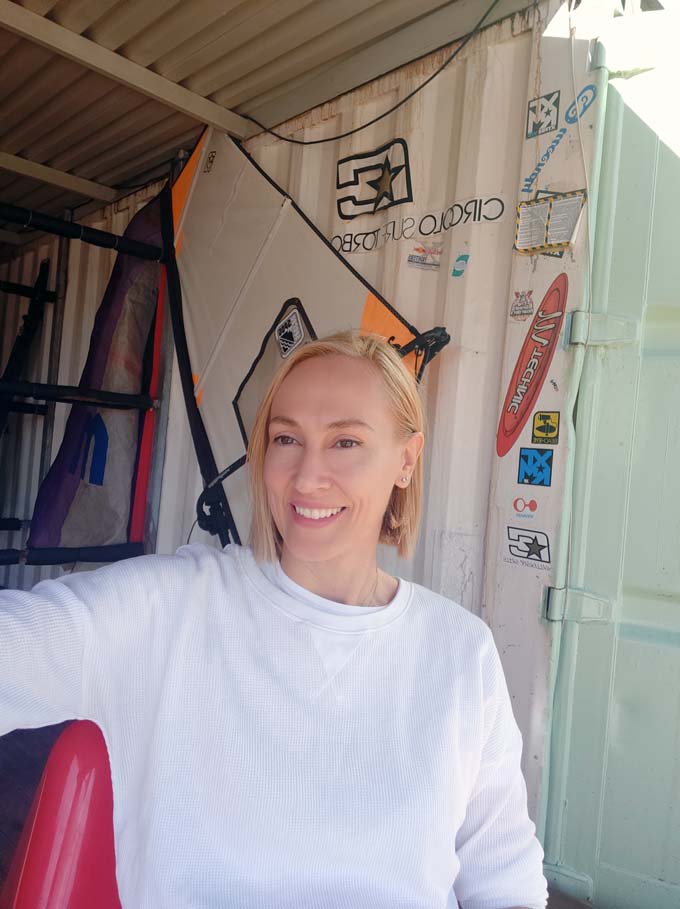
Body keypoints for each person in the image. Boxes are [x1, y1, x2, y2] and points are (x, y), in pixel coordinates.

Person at [0, 331, 548, 909]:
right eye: (287, 438)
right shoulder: (167, 610)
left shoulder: (461, 652)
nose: (308, 476)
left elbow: (504, 881)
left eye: (345, 442)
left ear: (405, 461)